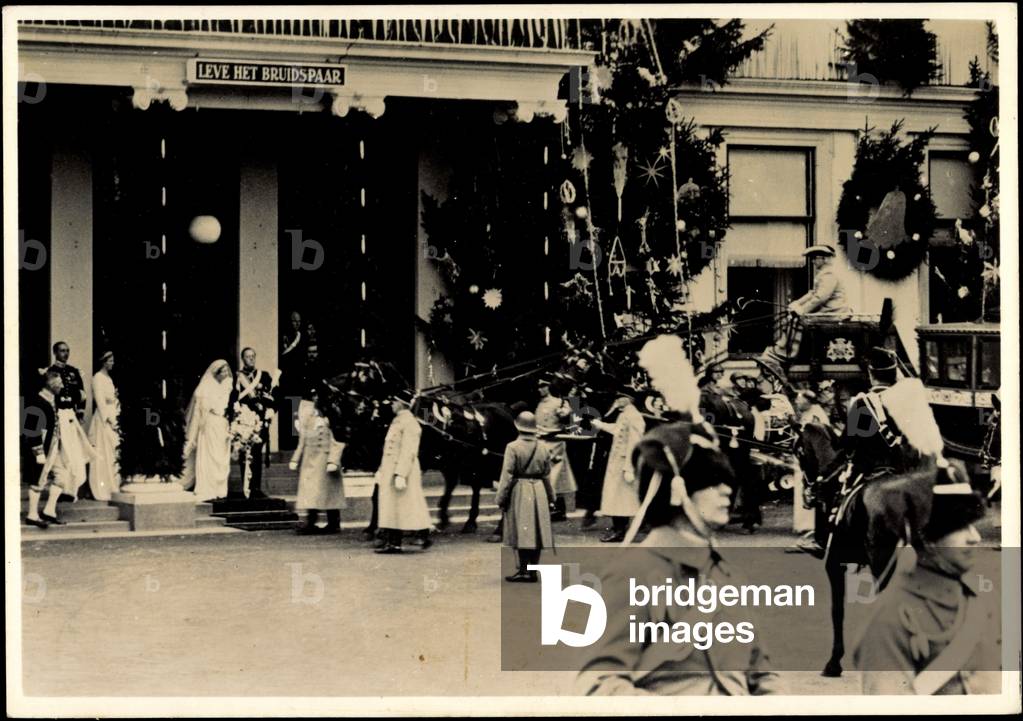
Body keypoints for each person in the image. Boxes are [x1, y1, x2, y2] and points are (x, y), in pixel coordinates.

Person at [575, 419, 784, 695]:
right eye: (711, 482)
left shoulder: (726, 574)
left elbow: (762, 673)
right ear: (677, 489)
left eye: (726, 481)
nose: (726, 490)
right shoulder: (634, 572)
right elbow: (600, 684)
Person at [854, 477, 999, 694]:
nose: (975, 537)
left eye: (972, 524)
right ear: (926, 537)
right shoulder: (888, 619)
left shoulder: (984, 598)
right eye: (959, 527)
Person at [22, 370, 96, 527]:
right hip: (41, 449)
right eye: (60, 383)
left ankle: (49, 511)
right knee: (38, 479)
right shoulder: (36, 401)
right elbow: (30, 429)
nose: (62, 386)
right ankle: (32, 515)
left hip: (53, 446)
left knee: (62, 476)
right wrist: (38, 452)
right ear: (51, 384)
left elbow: (78, 397)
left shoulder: (52, 400)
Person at [761, 244, 850, 373]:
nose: (813, 261)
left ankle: (788, 352)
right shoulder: (823, 274)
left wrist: (802, 310)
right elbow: (812, 293)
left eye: (815, 258)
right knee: (793, 318)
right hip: (827, 312)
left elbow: (820, 298)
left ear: (825, 259)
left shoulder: (829, 275)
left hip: (833, 313)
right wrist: (797, 303)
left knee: (799, 321)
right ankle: (784, 348)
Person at [495, 411, 555, 582]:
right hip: (539, 489)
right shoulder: (543, 447)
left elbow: (507, 475)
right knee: (537, 531)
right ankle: (533, 571)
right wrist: (551, 497)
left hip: (520, 489)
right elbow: (547, 475)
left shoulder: (512, 447)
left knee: (523, 531)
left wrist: (500, 497)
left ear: (518, 427)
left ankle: (523, 570)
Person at [374, 390, 433, 554]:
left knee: (405, 506)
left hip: (403, 471)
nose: (392, 405)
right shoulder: (398, 421)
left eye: (394, 402)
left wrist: (401, 473)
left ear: (401, 404)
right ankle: (395, 542)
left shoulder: (410, 423)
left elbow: (408, 450)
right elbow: (389, 449)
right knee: (394, 507)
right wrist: (381, 470)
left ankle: (418, 537)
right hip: (390, 470)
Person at [290, 382, 346, 535]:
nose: (315, 398)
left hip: (326, 459)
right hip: (310, 459)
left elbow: (338, 439)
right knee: (310, 491)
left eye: (317, 395)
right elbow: (303, 439)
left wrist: (333, 460)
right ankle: (311, 522)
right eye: (313, 396)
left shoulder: (332, 414)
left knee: (330, 492)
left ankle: (334, 523)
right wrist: (295, 458)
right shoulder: (308, 415)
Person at [591, 393, 646, 543]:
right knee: (616, 497)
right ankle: (618, 528)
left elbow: (635, 443)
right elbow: (617, 429)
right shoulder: (624, 414)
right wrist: (601, 425)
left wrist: (629, 467)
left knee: (621, 498)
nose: (617, 400)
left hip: (624, 463)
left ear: (629, 399)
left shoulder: (633, 416)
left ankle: (620, 531)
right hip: (617, 461)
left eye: (620, 397)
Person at [182, 360, 234, 503]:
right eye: (223, 371)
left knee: (220, 456)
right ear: (216, 373)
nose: (226, 374)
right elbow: (203, 409)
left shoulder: (226, 386)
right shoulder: (206, 387)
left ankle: (220, 489)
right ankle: (208, 487)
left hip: (222, 424)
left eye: (227, 371)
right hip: (209, 424)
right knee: (210, 455)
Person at [232, 347, 279, 500]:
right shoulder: (238, 377)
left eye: (253, 356)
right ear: (242, 359)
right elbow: (234, 398)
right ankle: (246, 488)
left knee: (257, 454)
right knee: (244, 454)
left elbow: (275, 395)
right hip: (244, 422)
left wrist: (271, 410)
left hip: (260, 421)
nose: (251, 358)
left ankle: (256, 488)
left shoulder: (263, 376)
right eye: (248, 356)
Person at [535, 375, 576, 522]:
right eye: (539, 387)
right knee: (548, 477)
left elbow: (569, 418)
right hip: (541, 442)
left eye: (543, 386)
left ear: (548, 387)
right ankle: (555, 509)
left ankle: (556, 509)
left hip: (555, 443)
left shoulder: (559, 402)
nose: (540, 390)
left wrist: (565, 410)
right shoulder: (539, 404)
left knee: (555, 477)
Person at [279, 312, 317, 450]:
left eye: (299, 321)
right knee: (290, 410)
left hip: (300, 379)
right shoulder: (285, 337)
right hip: (289, 379)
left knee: (299, 411)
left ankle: (297, 442)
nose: (296, 324)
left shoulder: (303, 337)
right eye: (294, 321)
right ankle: (289, 442)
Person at [87, 351, 121, 501]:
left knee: (115, 451)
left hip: (114, 413)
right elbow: (100, 401)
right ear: (104, 361)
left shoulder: (108, 378)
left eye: (113, 360)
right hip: (104, 419)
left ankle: (114, 484)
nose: (112, 363)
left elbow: (113, 399)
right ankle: (103, 487)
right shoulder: (98, 377)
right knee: (105, 450)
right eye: (110, 361)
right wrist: (110, 420)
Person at [44, 340, 87, 423]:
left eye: (67, 351)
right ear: (55, 353)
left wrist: (80, 411)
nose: (66, 353)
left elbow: (82, 393)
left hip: (72, 413)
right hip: (57, 413)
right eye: (62, 351)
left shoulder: (74, 371)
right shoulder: (50, 371)